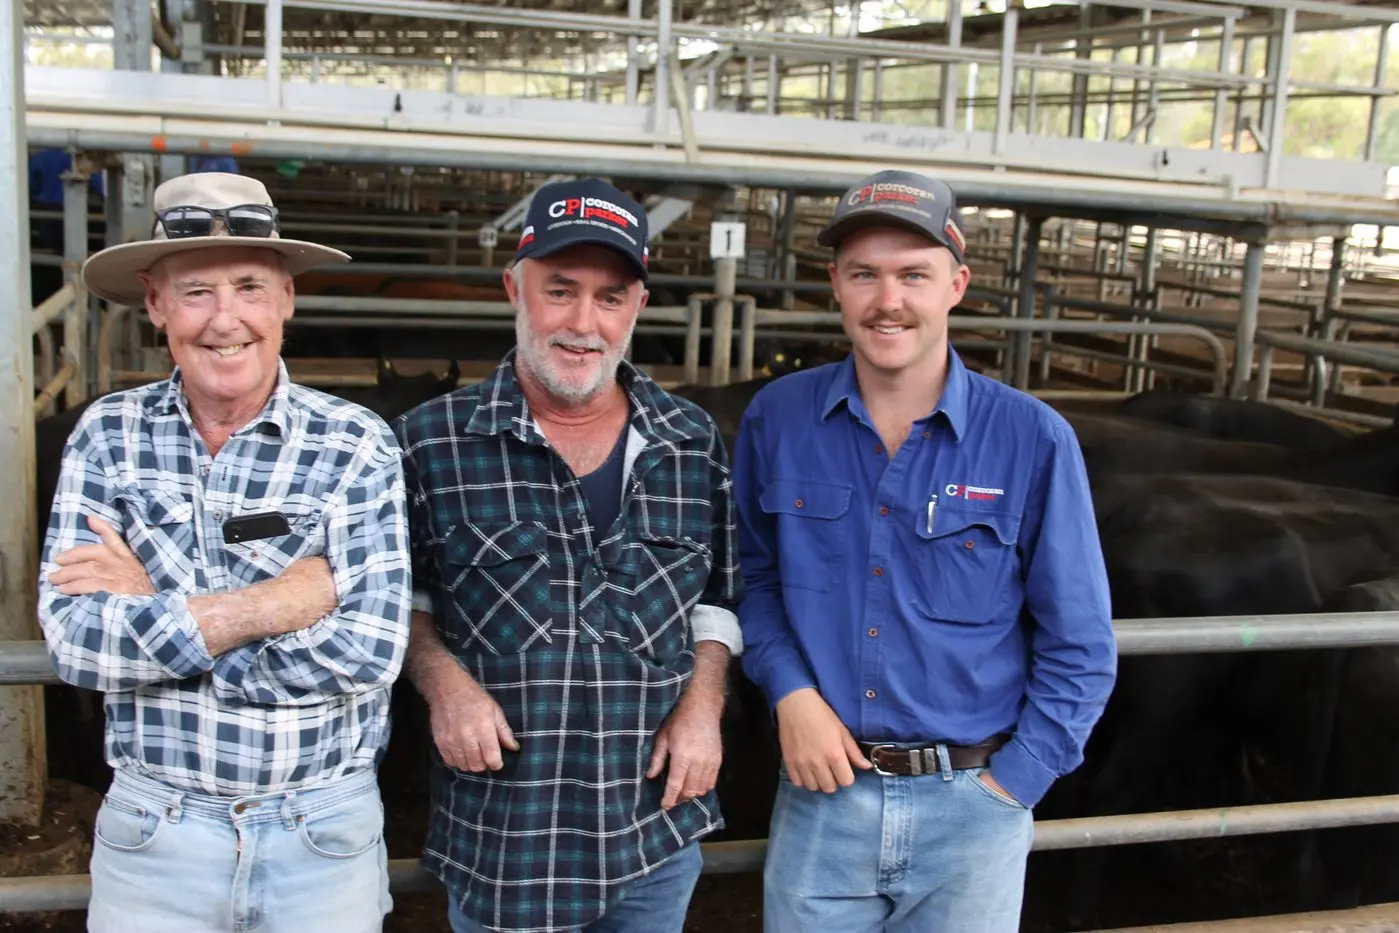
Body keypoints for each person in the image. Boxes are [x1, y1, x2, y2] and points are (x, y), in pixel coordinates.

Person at [732, 169, 1118, 932]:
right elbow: (755, 577)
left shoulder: (1032, 438)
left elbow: (1080, 638)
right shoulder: (776, 418)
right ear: (835, 286)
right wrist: (790, 692)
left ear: (956, 284)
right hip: (822, 796)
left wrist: (1016, 781)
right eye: (864, 274)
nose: (888, 301)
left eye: (914, 274)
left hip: (972, 804)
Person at [37, 171, 412, 933]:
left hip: (322, 830)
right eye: (196, 291)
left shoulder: (355, 442)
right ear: (154, 302)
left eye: (248, 286)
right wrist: (277, 603)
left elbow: (369, 649)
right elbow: (76, 642)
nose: (225, 318)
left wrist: (155, 609)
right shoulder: (107, 434)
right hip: (155, 831)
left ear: (285, 298)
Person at [392, 177, 744, 933]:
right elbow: (399, 598)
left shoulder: (689, 440)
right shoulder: (429, 440)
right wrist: (444, 683)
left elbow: (717, 596)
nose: (584, 322)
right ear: (513, 288)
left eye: (610, 296)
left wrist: (704, 705)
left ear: (637, 307)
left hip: (655, 823)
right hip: (507, 835)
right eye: (560, 290)